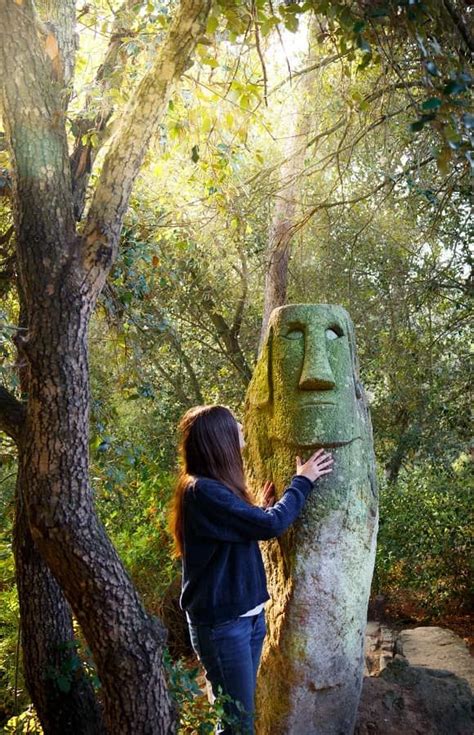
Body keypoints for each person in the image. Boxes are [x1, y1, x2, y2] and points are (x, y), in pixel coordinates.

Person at [169, 404, 334, 735]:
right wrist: (302, 481)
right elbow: (272, 525)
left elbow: (237, 532)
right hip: (223, 626)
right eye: (235, 425)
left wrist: (253, 511)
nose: (242, 428)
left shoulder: (213, 488)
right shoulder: (202, 490)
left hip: (245, 617)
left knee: (235, 713)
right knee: (237, 722)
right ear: (219, 439)